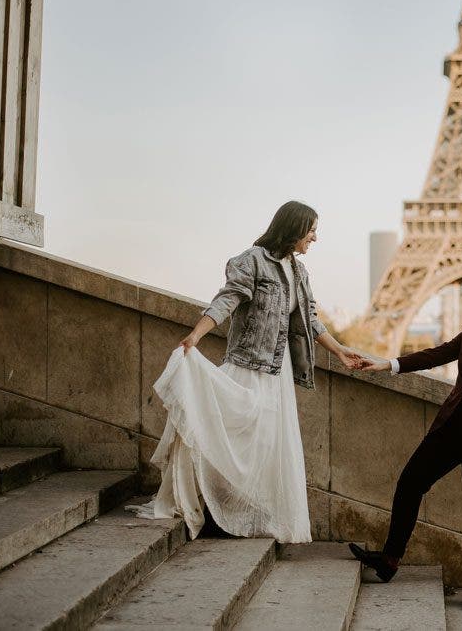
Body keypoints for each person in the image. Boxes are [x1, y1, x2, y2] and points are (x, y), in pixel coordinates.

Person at [128, 201, 365, 541]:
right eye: (312, 230)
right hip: (249, 363)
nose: (315, 237)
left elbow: (309, 319)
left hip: (277, 368)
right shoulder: (252, 261)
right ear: (294, 228)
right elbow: (228, 299)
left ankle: (241, 512)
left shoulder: (300, 273)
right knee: (232, 434)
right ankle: (213, 505)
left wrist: (340, 351)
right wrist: (196, 334)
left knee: (265, 443)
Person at [349, 270, 462, 612]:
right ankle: (390, 560)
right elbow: (435, 355)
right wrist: (387, 364)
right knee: (410, 482)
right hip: (451, 426)